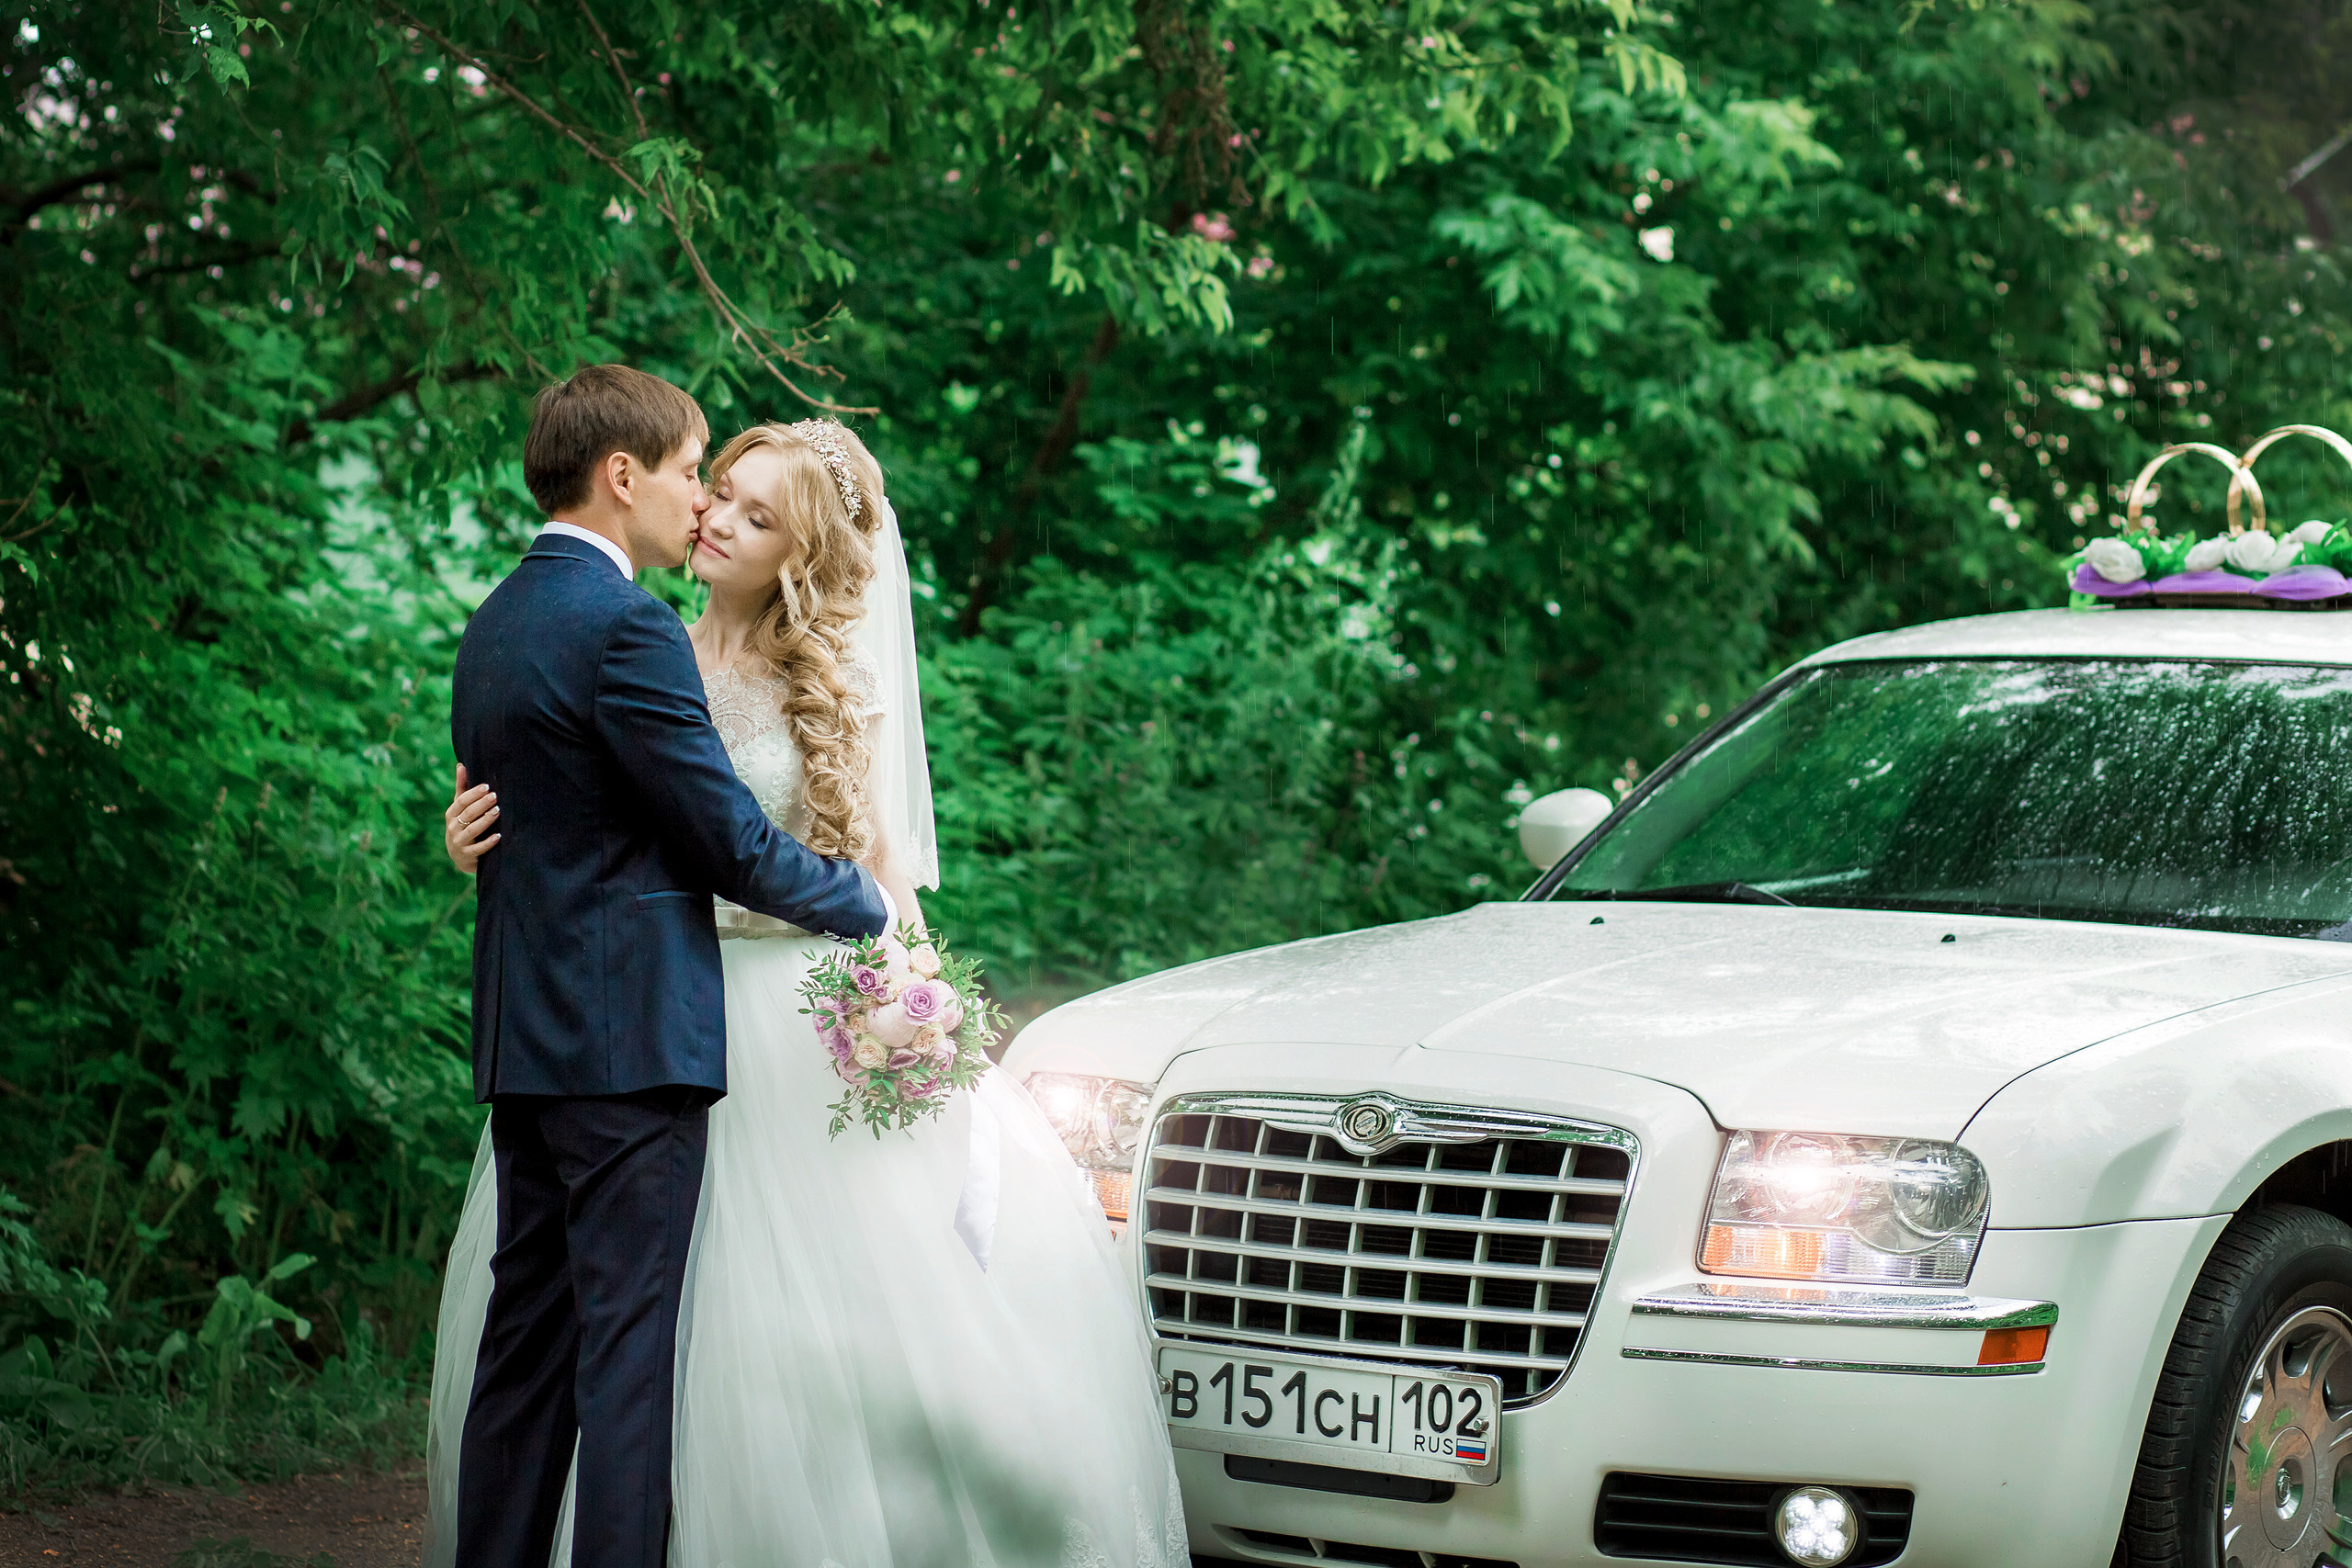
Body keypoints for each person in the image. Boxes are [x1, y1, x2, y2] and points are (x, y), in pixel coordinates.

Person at [428, 409, 1186, 1567]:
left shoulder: (828, 687)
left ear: (803, 550)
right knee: (617, 1337)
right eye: (718, 490)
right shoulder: (631, 639)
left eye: (755, 512)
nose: (717, 518)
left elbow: (870, 874)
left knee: (807, 1342)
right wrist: (475, 836)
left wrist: (911, 987)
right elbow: (569, 805)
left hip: (785, 1021)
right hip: (646, 1018)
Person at [436, 365, 894, 1568]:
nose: (700, 504)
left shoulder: (498, 618)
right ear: (623, 474)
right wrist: (874, 914)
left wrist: (466, 840)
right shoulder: (631, 624)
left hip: (527, 1043)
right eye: (696, 474)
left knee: (524, 1353)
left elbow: (549, 816)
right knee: (627, 1371)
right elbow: (730, 844)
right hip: (631, 1042)